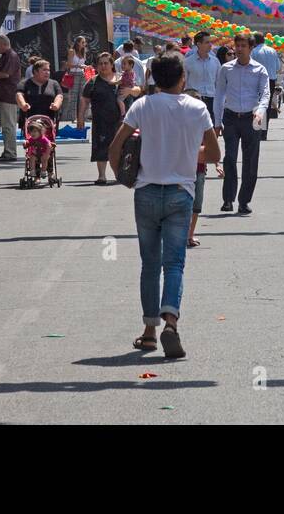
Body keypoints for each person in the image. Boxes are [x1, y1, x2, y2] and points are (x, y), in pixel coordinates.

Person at [111, 51, 220, 358]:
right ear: (183, 78)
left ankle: (148, 332)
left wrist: (125, 176)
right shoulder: (197, 108)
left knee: (149, 263)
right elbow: (214, 154)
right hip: (180, 193)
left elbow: (115, 145)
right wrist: (187, 151)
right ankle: (170, 321)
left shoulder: (142, 106)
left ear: (154, 78)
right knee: (174, 264)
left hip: (145, 192)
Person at [214, 33, 270, 215]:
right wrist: (217, 121)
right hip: (230, 117)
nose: (238, 49)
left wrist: (260, 112)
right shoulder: (226, 69)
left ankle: (244, 201)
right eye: (237, 46)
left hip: (252, 118)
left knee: (250, 160)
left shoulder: (260, 70)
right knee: (230, 158)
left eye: (243, 46)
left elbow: (265, 94)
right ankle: (228, 200)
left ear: (251, 48)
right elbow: (219, 94)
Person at [78, 52, 125, 186]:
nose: (103, 66)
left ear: (112, 65)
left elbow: (138, 89)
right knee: (101, 148)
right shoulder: (92, 81)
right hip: (100, 121)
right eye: (100, 63)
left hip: (121, 121)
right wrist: (80, 118)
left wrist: (131, 91)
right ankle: (102, 176)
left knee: (121, 148)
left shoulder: (121, 78)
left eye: (106, 63)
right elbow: (84, 100)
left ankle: (119, 175)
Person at [251, 33, 281, 140]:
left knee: (257, 104)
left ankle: (257, 129)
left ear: (254, 41)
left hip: (257, 79)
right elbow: (278, 67)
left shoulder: (253, 52)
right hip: (271, 80)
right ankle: (264, 133)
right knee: (266, 105)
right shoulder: (272, 51)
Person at [17, 60, 63, 129]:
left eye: (48, 70)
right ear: (35, 71)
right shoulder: (24, 83)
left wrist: (56, 105)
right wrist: (23, 105)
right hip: (30, 123)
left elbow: (59, 96)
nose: (47, 72)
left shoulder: (54, 83)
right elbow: (19, 95)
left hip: (49, 123)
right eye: (44, 70)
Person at [183, 32, 220, 108]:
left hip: (211, 100)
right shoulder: (188, 62)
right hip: (193, 100)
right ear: (198, 44)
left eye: (210, 42)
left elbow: (219, 82)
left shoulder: (215, 61)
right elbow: (183, 82)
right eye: (207, 42)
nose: (210, 45)